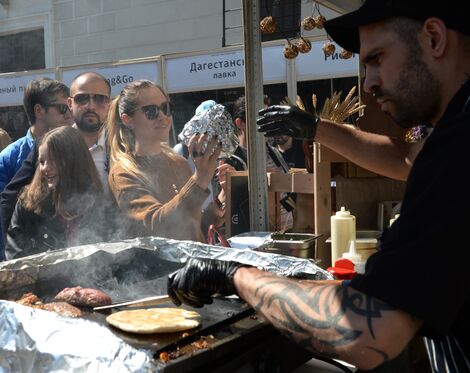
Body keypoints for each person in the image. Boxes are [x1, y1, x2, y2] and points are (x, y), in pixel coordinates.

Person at [168, 1, 470, 371]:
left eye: (377, 58)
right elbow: (408, 159)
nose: (368, 83)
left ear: (435, 38)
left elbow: (369, 330)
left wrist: (235, 273)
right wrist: (316, 128)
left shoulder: (460, 147)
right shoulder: (456, 125)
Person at [0, 72, 113, 252]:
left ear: (109, 103)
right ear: (70, 103)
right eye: (82, 99)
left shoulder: (120, 148)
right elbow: (12, 199)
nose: (91, 106)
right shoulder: (45, 144)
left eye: (99, 99)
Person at [107, 79, 224, 242]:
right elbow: (156, 227)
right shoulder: (123, 173)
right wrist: (199, 181)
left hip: (193, 262)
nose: (163, 117)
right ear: (128, 120)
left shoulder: (179, 163)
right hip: (161, 266)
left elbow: (192, 229)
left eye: (166, 108)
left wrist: (223, 200)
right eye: (151, 111)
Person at [0, 78, 72, 264]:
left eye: (69, 107)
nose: (69, 114)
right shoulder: (7, 159)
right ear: (39, 110)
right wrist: (6, 267)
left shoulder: (73, 149)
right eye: (62, 108)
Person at [5, 126, 116, 260]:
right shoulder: (28, 206)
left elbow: (110, 263)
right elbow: (15, 258)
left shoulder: (98, 206)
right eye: (42, 162)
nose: (45, 168)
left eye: (52, 160)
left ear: (74, 160)